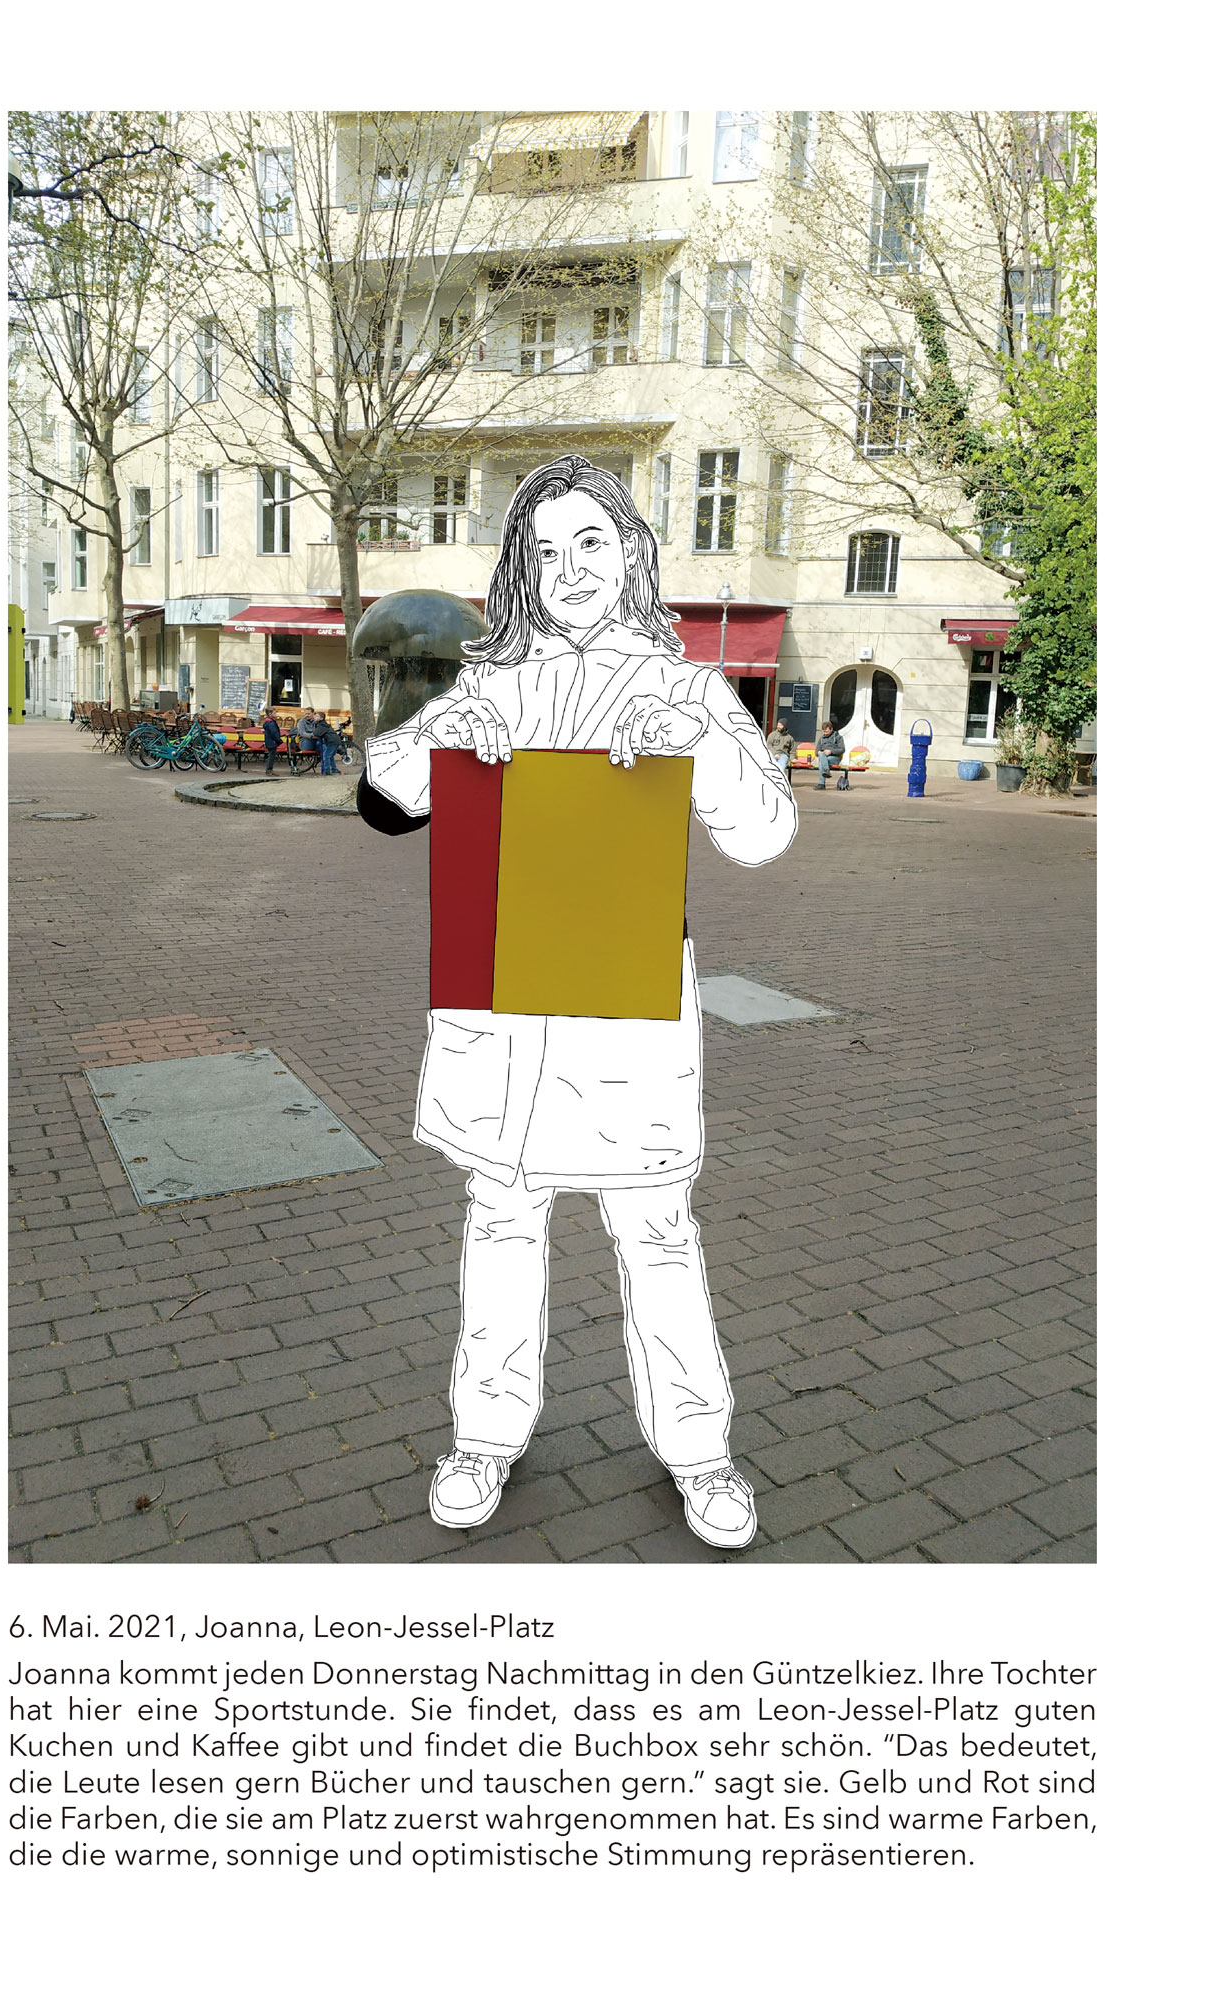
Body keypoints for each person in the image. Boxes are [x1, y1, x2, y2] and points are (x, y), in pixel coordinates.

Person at [363, 453, 797, 1551]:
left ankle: (697, 1450)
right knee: (501, 1220)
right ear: (520, 567)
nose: (567, 569)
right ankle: (483, 1436)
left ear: (631, 553)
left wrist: (704, 749)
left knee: (654, 1228)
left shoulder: (685, 688)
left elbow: (763, 834)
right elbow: (387, 799)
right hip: (504, 1011)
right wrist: (432, 740)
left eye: (589, 542)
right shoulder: (486, 685)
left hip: (622, 1013)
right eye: (543, 550)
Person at [816, 719, 848, 790]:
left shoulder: (838, 737)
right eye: (824, 731)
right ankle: (827, 771)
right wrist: (818, 752)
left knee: (821, 761)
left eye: (827, 731)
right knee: (822, 757)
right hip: (824, 757)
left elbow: (842, 749)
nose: (825, 733)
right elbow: (816, 751)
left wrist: (831, 751)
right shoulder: (821, 739)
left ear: (831, 729)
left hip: (834, 758)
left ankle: (821, 784)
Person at [261, 708, 283, 774]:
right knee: (271, 756)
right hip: (272, 742)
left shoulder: (268, 722)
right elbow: (274, 733)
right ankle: (269, 770)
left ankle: (269, 770)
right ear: (270, 714)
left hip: (269, 741)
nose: (276, 715)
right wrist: (279, 740)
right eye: (274, 713)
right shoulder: (271, 723)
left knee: (271, 755)